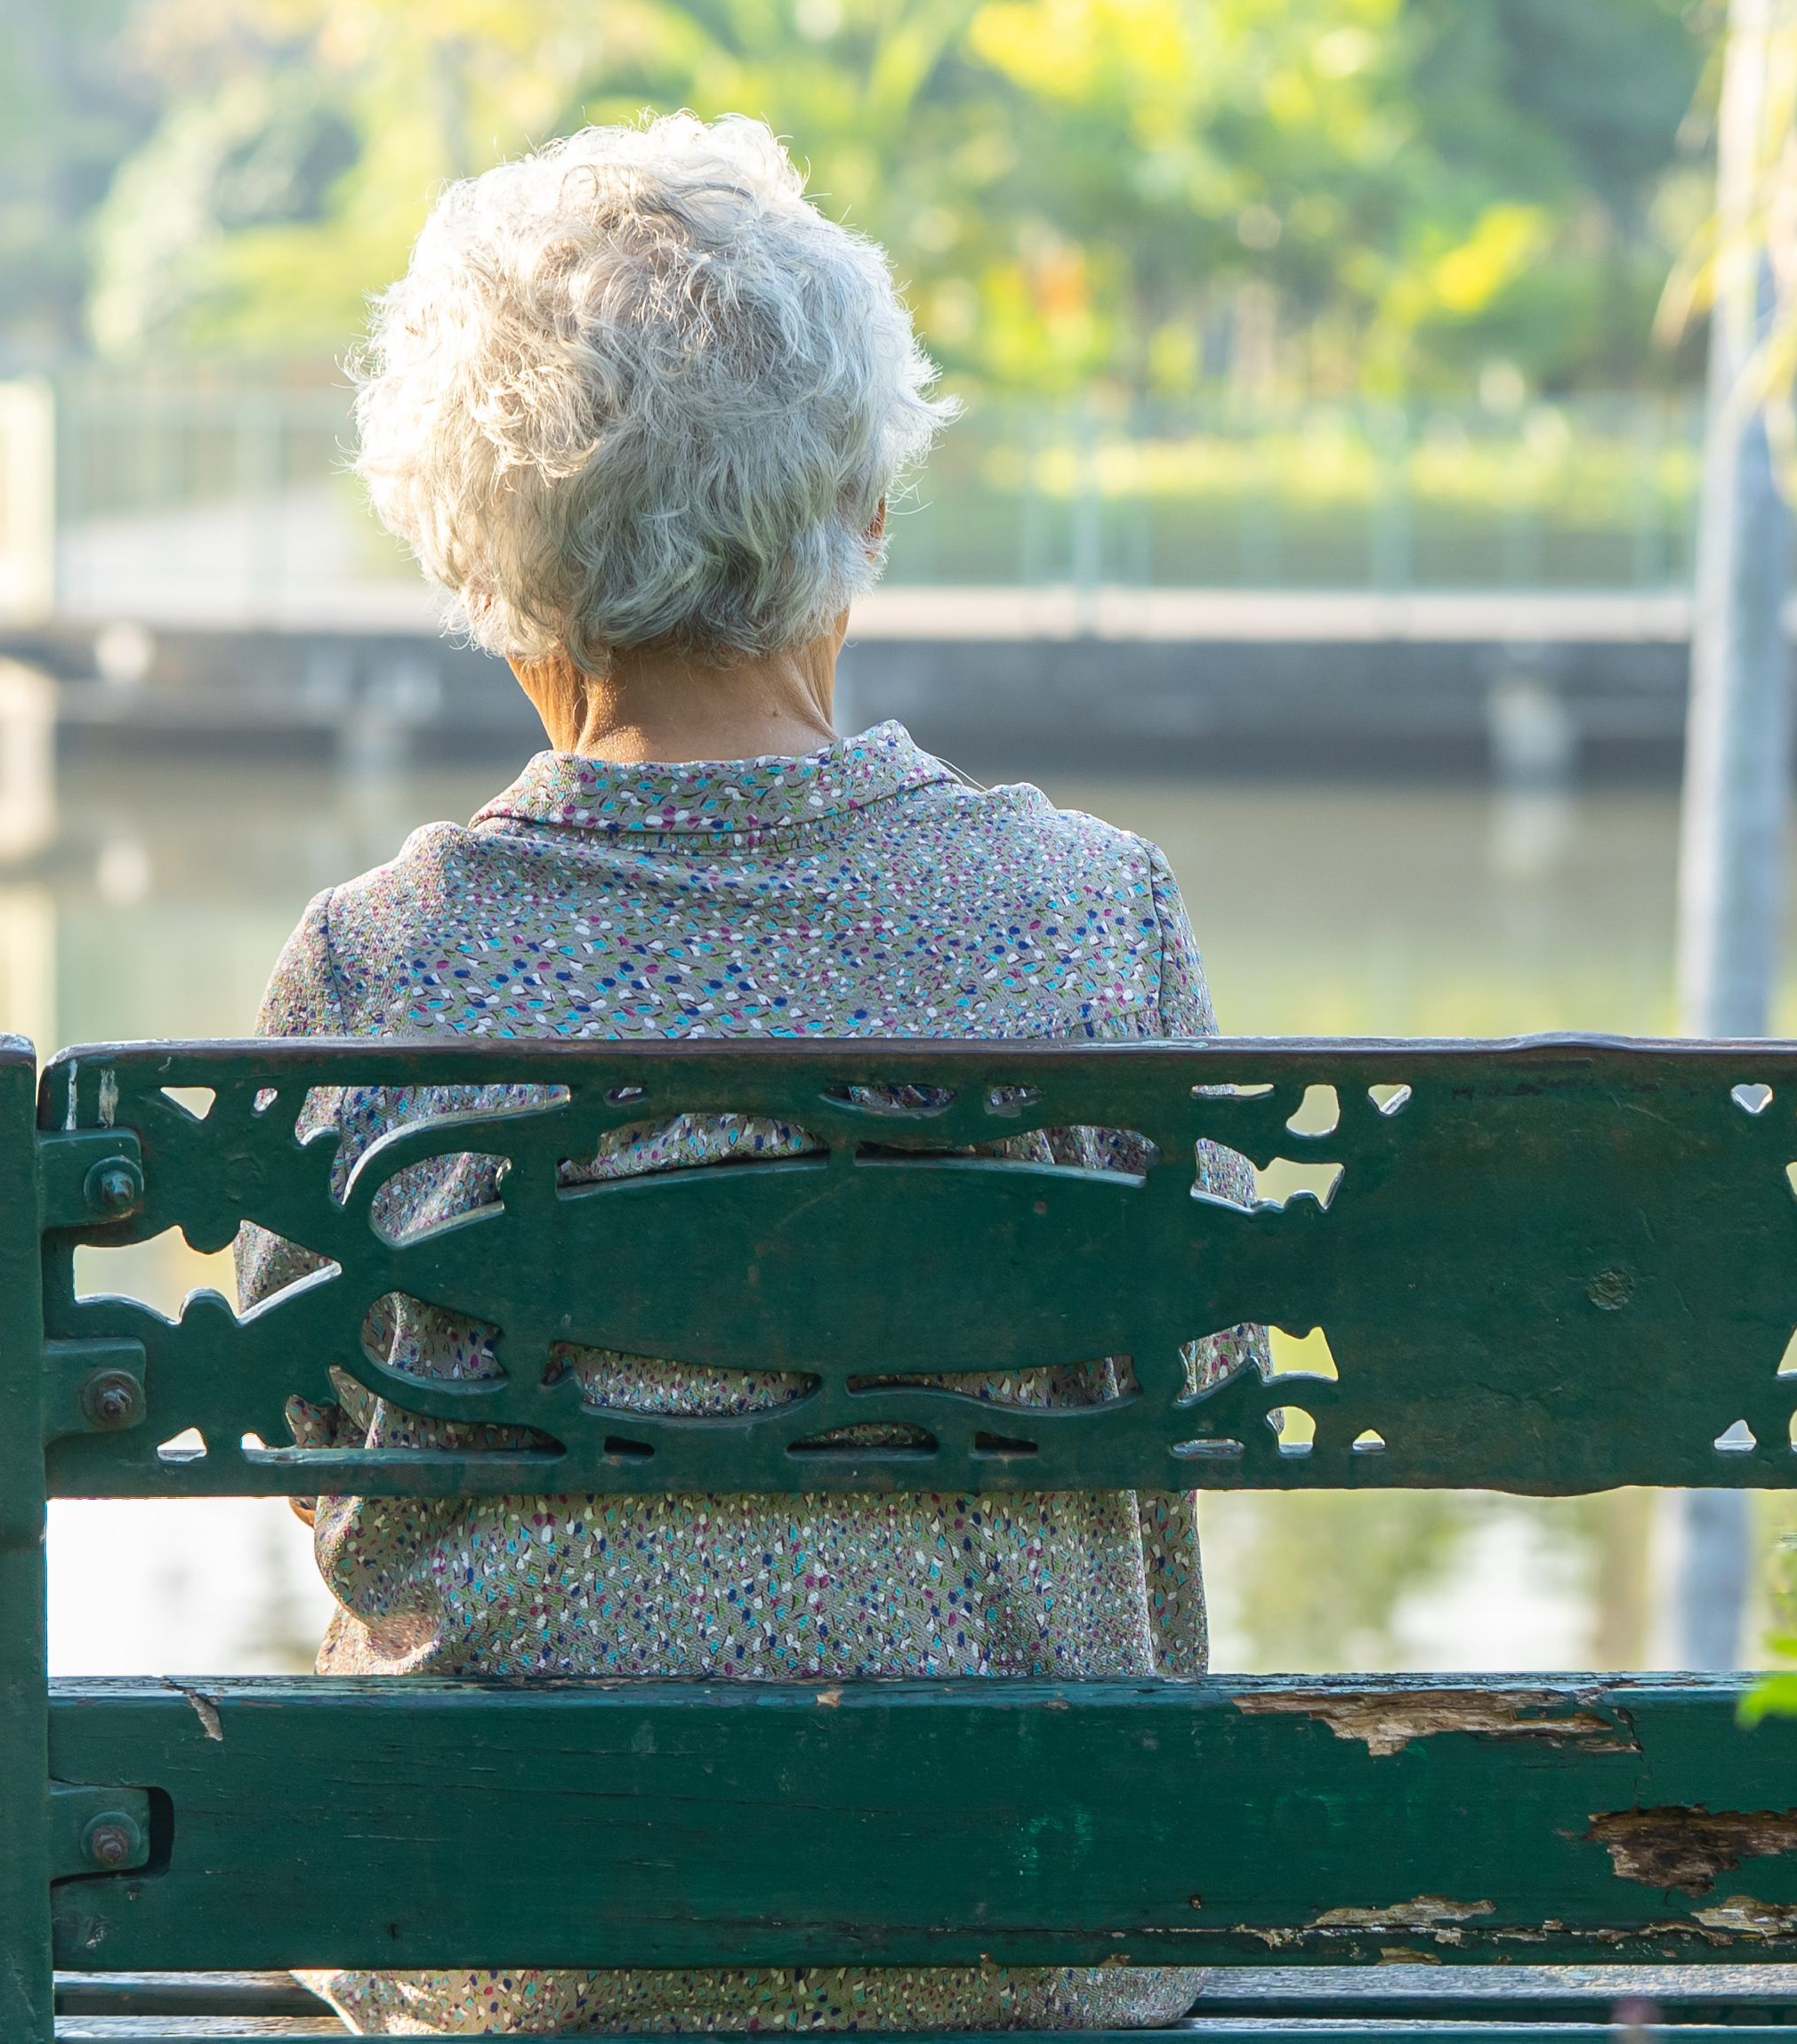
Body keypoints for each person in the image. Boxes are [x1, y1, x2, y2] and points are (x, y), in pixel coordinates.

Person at [238, 111, 1246, 2036]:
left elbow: (309, 1455)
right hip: (1027, 1912)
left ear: (485, 565)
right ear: (862, 502)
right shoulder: (1095, 920)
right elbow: (1199, 1374)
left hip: (518, 1933)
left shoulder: (383, 963)